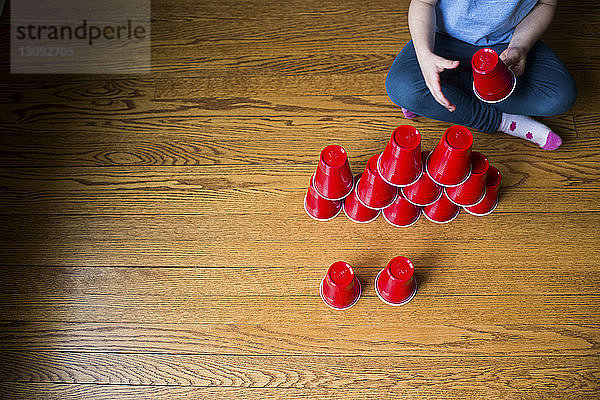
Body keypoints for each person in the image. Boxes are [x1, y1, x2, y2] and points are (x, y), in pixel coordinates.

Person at [385, 0, 577, 150]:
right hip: (443, 40)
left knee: (560, 96)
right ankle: (503, 121)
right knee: (400, 87)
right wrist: (425, 55)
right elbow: (423, 3)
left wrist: (520, 46)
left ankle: (442, 93)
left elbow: (545, 4)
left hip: (505, 45)